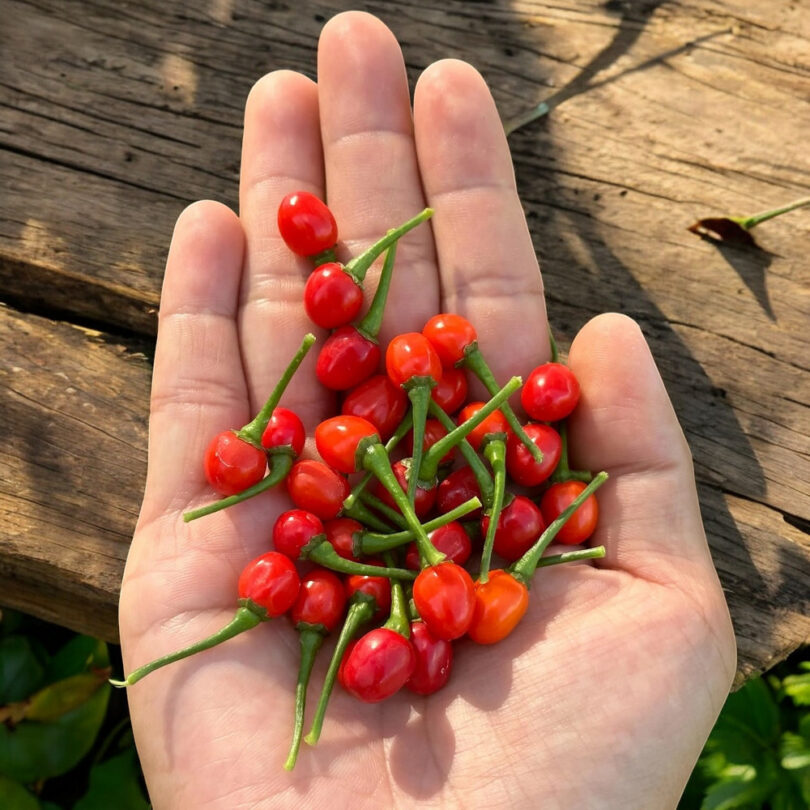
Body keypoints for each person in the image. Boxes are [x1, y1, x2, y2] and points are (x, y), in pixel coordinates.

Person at [117, 11, 736, 808]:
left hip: (408, 521)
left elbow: (386, 532)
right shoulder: (368, 510)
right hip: (398, 520)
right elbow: (337, 515)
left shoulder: (410, 509)